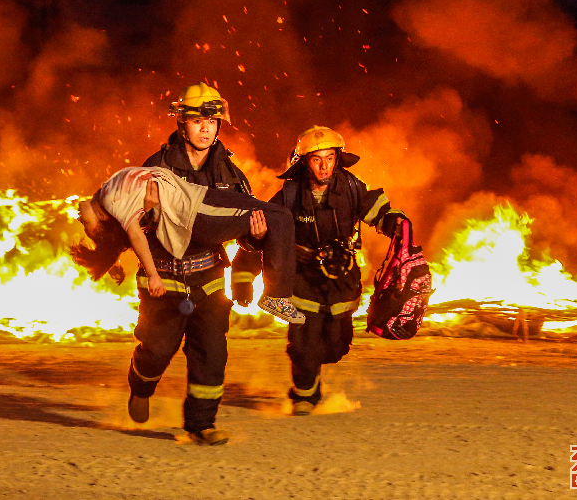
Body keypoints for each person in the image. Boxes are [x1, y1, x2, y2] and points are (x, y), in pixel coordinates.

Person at [72, 166, 304, 444]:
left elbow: (242, 231)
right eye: (197, 122)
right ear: (182, 124)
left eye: (211, 122)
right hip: (162, 280)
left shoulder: (229, 174)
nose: (204, 129)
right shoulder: (158, 161)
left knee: (211, 353)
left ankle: (202, 424)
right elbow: (122, 223)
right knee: (157, 349)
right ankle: (141, 386)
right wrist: (118, 255)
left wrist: (256, 238)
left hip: (208, 277)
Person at [268, 125, 408, 416]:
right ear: (304, 161)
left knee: (335, 346)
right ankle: (304, 394)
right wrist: (247, 269)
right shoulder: (290, 195)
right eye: (317, 159)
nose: (324, 166)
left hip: (341, 279)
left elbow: (375, 209)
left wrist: (395, 222)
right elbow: (262, 229)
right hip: (303, 277)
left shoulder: (351, 187)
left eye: (330, 158)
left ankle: (313, 368)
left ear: (337, 158)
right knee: (304, 342)